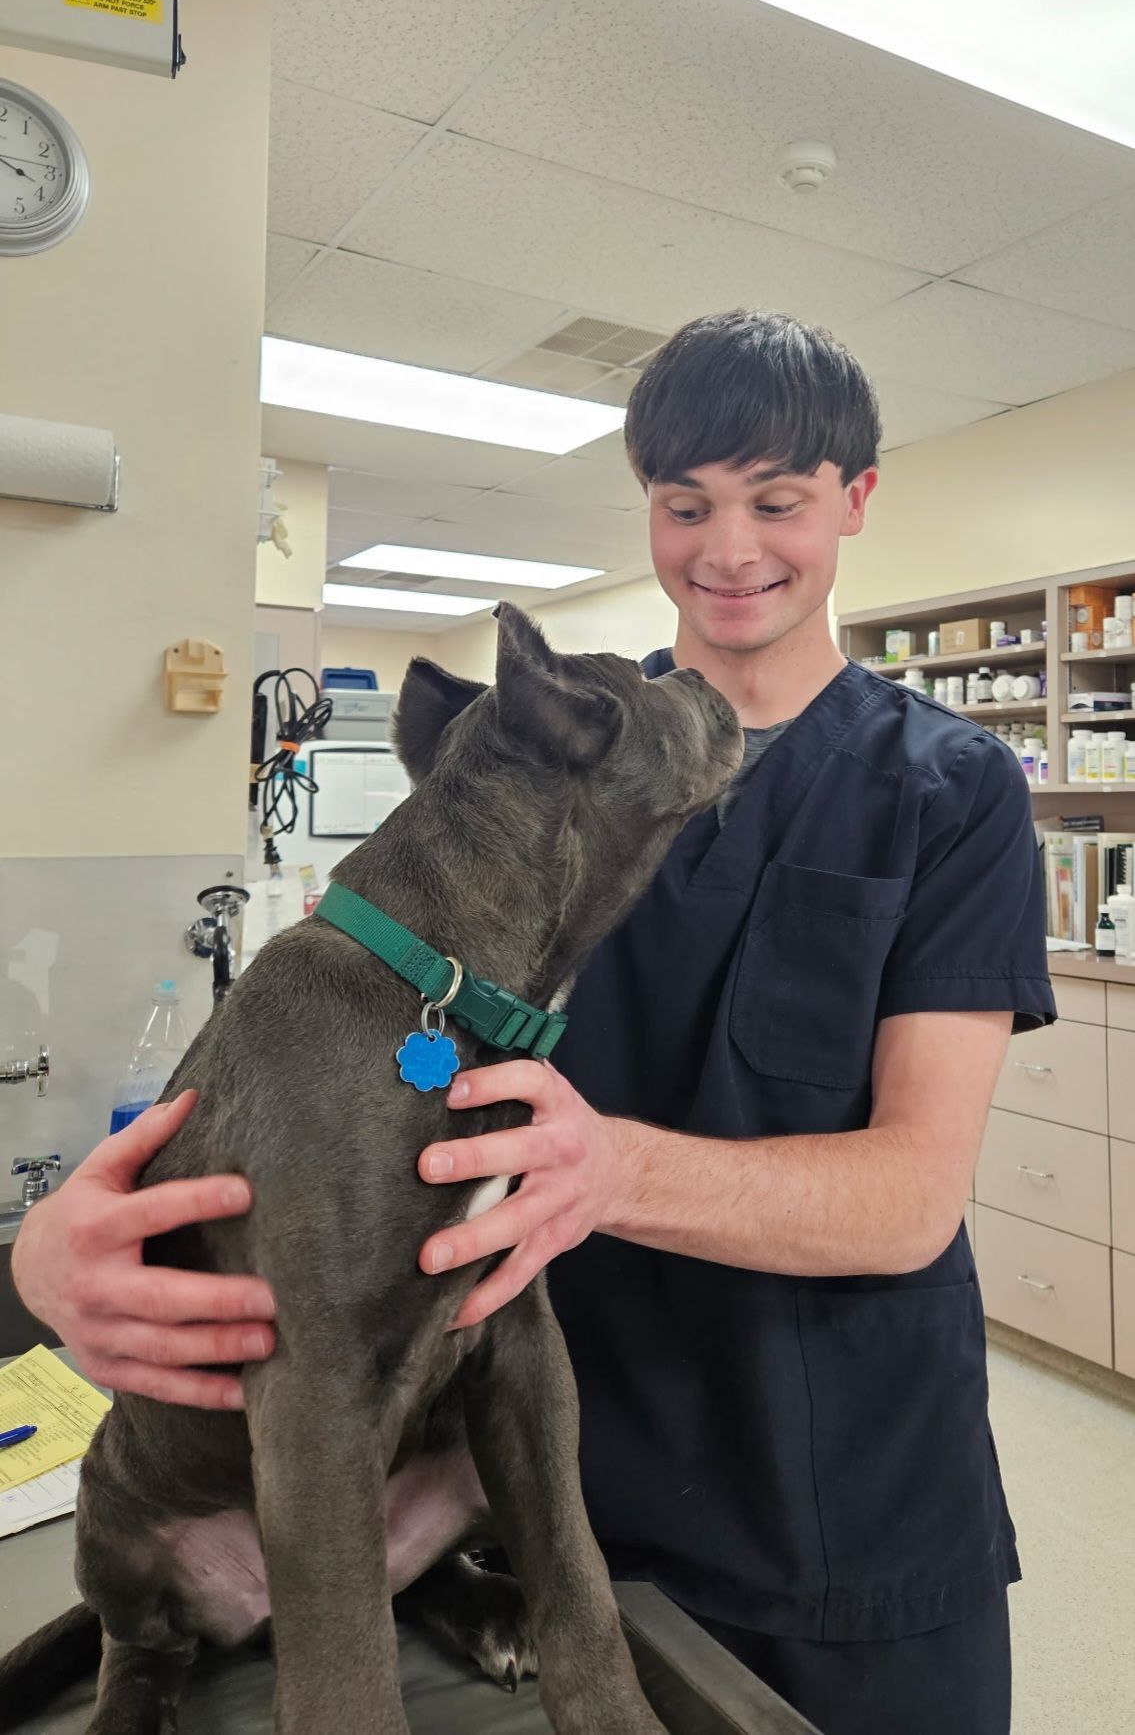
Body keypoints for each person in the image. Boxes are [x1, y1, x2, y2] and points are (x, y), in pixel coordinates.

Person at [14, 310, 1053, 1735]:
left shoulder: (951, 792)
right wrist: (48, 1255)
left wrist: (612, 1169)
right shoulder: (545, 777)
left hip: (840, 1504)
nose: (729, 545)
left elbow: (910, 1199)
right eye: (687, 503)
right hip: (536, 1502)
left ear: (855, 502)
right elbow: (297, 1101)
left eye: (779, 501)